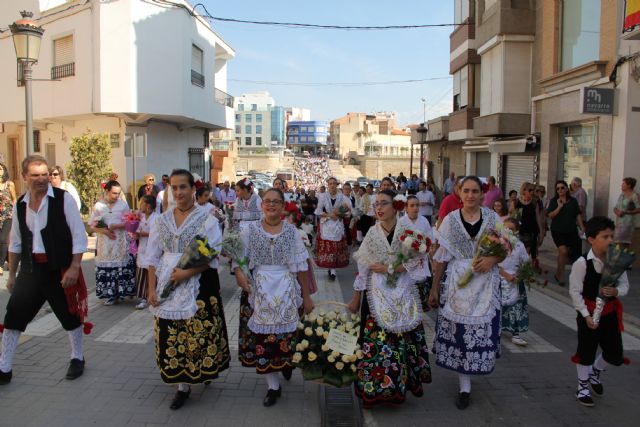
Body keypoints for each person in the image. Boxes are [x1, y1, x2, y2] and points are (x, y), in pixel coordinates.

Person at [145, 169, 230, 410]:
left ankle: (199, 372)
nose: (179, 192)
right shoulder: (161, 221)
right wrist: (151, 290)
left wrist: (187, 272)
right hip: (166, 282)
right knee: (171, 331)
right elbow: (151, 258)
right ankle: (181, 386)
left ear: (194, 189)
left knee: (198, 331)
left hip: (199, 281)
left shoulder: (208, 219)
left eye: (184, 187)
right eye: (175, 187)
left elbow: (212, 256)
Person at [0, 155, 88, 385]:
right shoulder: (20, 204)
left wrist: (75, 267)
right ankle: (4, 367)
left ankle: (77, 357)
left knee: (69, 315)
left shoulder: (63, 199)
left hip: (59, 268)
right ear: (24, 177)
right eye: (35, 175)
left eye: (44, 174)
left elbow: (79, 236)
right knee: (13, 316)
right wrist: (11, 275)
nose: (41, 179)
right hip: (30, 270)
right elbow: (16, 242)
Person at [347, 190, 432, 408]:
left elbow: (420, 260)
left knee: (403, 341)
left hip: (403, 290)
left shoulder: (407, 231)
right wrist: (356, 298)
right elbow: (363, 269)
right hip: (377, 292)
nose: (379, 207)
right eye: (376, 204)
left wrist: (392, 268)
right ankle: (375, 389)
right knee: (378, 341)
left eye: (384, 203)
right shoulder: (372, 234)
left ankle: (401, 385)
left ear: (395, 206)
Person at [429, 176, 504, 410]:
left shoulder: (492, 218)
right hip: (458, 283)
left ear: (482, 194)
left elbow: (505, 248)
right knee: (461, 333)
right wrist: (434, 288)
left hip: (485, 281)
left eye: (475, 191)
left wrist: (492, 259)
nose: (471, 195)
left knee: (479, 331)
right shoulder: (450, 221)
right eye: (466, 191)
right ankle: (464, 386)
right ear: (459, 193)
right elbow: (441, 257)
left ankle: (470, 376)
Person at [234, 188, 313, 407]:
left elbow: (301, 267)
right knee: (265, 340)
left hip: (286, 288)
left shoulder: (291, 232)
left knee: (286, 337)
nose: (271, 205)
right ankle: (272, 385)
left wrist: (306, 298)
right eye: (267, 201)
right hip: (258, 290)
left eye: (276, 202)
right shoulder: (250, 230)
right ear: (261, 205)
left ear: (282, 205)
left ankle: (285, 365)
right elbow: (239, 258)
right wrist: (240, 275)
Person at [568, 216, 630, 407]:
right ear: (592, 239)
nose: (610, 240)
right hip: (588, 313)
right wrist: (585, 315)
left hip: (609, 313)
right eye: (605, 237)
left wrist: (616, 291)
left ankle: (596, 370)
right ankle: (583, 386)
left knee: (615, 354)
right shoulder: (582, 263)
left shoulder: (616, 261)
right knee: (586, 351)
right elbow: (575, 291)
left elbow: (625, 285)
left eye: (611, 236)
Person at [90, 181, 136, 305]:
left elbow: (130, 222)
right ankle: (110, 295)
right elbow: (92, 225)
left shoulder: (123, 205)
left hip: (119, 241)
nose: (116, 196)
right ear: (107, 191)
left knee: (120, 266)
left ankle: (121, 293)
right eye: (114, 193)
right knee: (107, 267)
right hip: (105, 243)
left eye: (118, 193)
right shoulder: (98, 206)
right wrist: (104, 231)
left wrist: (116, 225)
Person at [547, 180, 585, 286]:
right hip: (557, 230)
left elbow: (577, 215)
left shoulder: (573, 201)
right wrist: (559, 207)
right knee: (563, 251)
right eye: (557, 188)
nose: (560, 190)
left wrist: (582, 227)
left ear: (567, 188)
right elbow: (550, 215)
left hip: (571, 230)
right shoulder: (554, 201)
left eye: (562, 187)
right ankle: (562, 276)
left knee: (566, 254)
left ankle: (558, 273)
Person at [499, 218, 531, 346]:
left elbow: (526, 263)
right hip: (500, 279)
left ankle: (516, 333)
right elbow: (493, 264)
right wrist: (505, 275)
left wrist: (519, 275)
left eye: (511, 229)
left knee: (516, 308)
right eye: (505, 228)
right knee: (498, 306)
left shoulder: (519, 245)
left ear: (516, 230)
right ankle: (497, 328)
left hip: (515, 280)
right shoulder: (497, 243)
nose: (508, 231)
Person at [399, 194, 433, 309]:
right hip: (405, 260)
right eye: (412, 205)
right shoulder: (401, 222)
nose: (415, 208)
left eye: (417, 205)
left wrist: (423, 247)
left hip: (420, 260)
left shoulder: (424, 221)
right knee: (406, 293)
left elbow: (430, 239)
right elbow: (397, 242)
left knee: (419, 294)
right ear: (406, 207)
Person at [314, 177, 351, 280]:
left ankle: (333, 269)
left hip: (338, 225)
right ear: (327, 185)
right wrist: (330, 215)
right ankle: (330, 268)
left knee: (336, 248)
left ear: (337, 185)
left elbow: (348, 213)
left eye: (334, 183)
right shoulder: (322, 196)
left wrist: (340, 214)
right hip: (326, 225)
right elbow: (318, 211)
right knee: (328, 248)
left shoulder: (342, 197)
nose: (332, 185)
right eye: (330, 183)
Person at [133, 195, 157, 310]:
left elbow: (157, 234)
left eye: (141, 203)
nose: (139, 205)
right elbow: (136, 229)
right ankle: (143, 297)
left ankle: (152, 295)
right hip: (142, 249)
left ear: (148, 206)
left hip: (152, 250)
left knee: (151, 273)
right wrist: (135, 234)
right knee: (141, 274)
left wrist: (145, 234)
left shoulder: (156, 218)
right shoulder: (140, 217)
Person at [514, 182, 544, 266]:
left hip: (532, 231)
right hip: (520, 231)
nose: (532, 192)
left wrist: (541, 232)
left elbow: (538, 218)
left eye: (533, 190)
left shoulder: (535, 202)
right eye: (530, 190)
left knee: (528, 253)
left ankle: (525, 271)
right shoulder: (517, 202)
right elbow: (513, 218)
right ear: (524, 190)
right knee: (519, 252)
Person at [613, 177, 640, 250]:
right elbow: (615, 207)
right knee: (616, 242)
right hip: (619, 223)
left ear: (629, 185)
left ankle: (624, 257)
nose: (621, 185)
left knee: (625, 243)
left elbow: (638, 209)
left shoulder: (634, 195)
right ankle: (617, 257)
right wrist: (616, 211)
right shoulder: (622, 194)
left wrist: (626, 212)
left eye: (623, 183)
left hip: (628, 224)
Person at [0, 162, 17, 275]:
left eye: (0, 169)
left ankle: (0, 265)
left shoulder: (9, 184)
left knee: (2, 239)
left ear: (4, 171)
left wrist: (16, 214)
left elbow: (14, 199)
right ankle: (8, 260)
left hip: (8, 215)